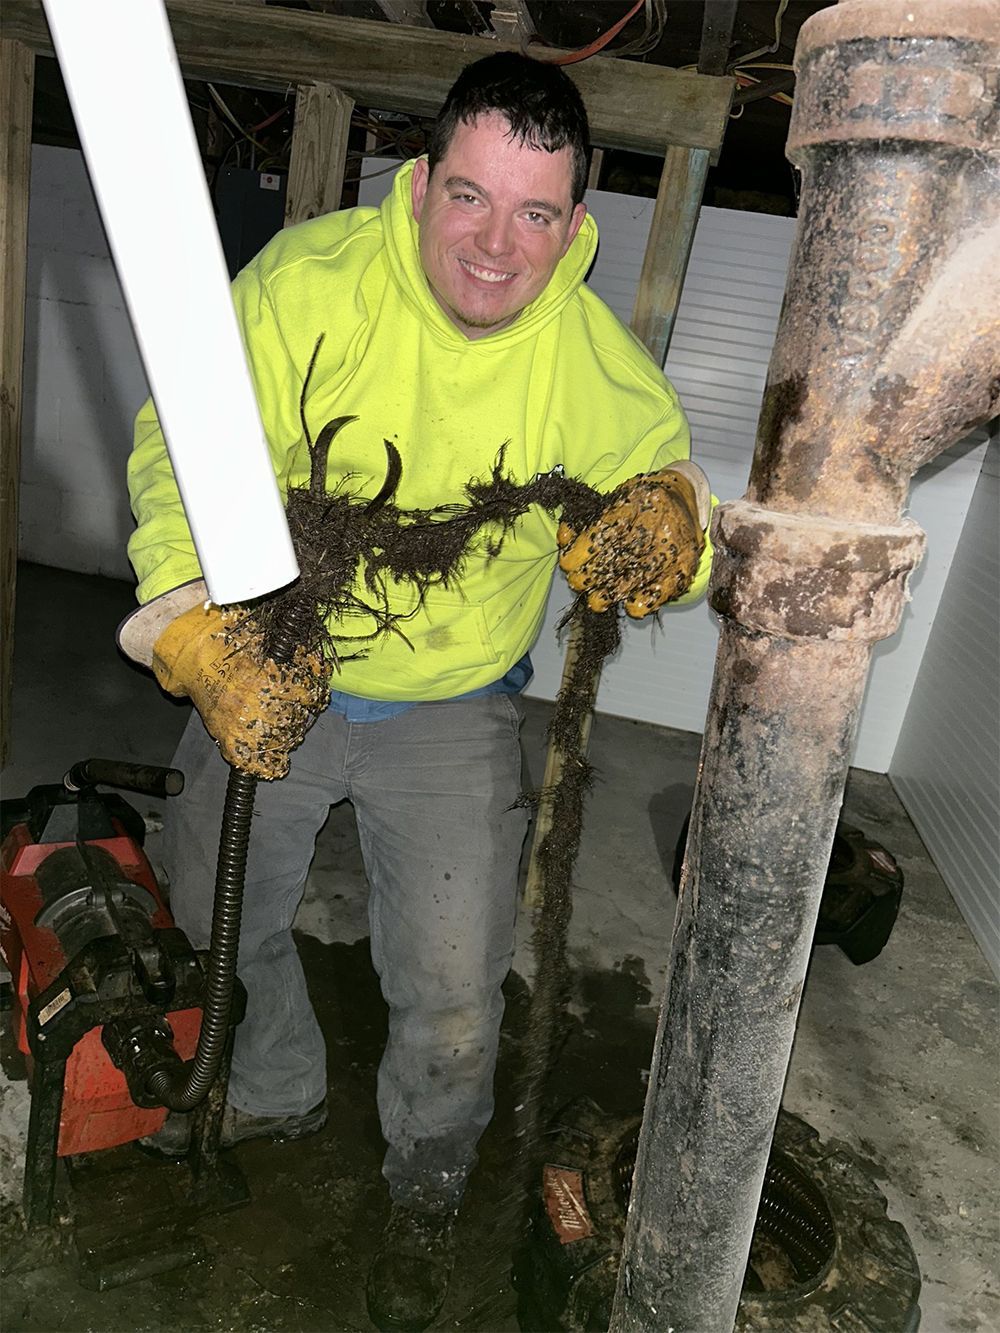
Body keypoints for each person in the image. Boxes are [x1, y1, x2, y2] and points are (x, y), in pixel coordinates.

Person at [120, 51, 712, 1332]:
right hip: (272, 655)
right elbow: (183, 440)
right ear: (421, 182)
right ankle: (274, 1082)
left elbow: (668, 480)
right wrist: (187, 629)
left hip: (449, 706)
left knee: (449, 994)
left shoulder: (582, 353)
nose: (498, 247)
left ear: (574, 223)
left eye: (537, 213)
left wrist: (667, 527)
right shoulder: (310, 286)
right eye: (470, 198)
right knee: (211, 898)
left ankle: (426, 1187)